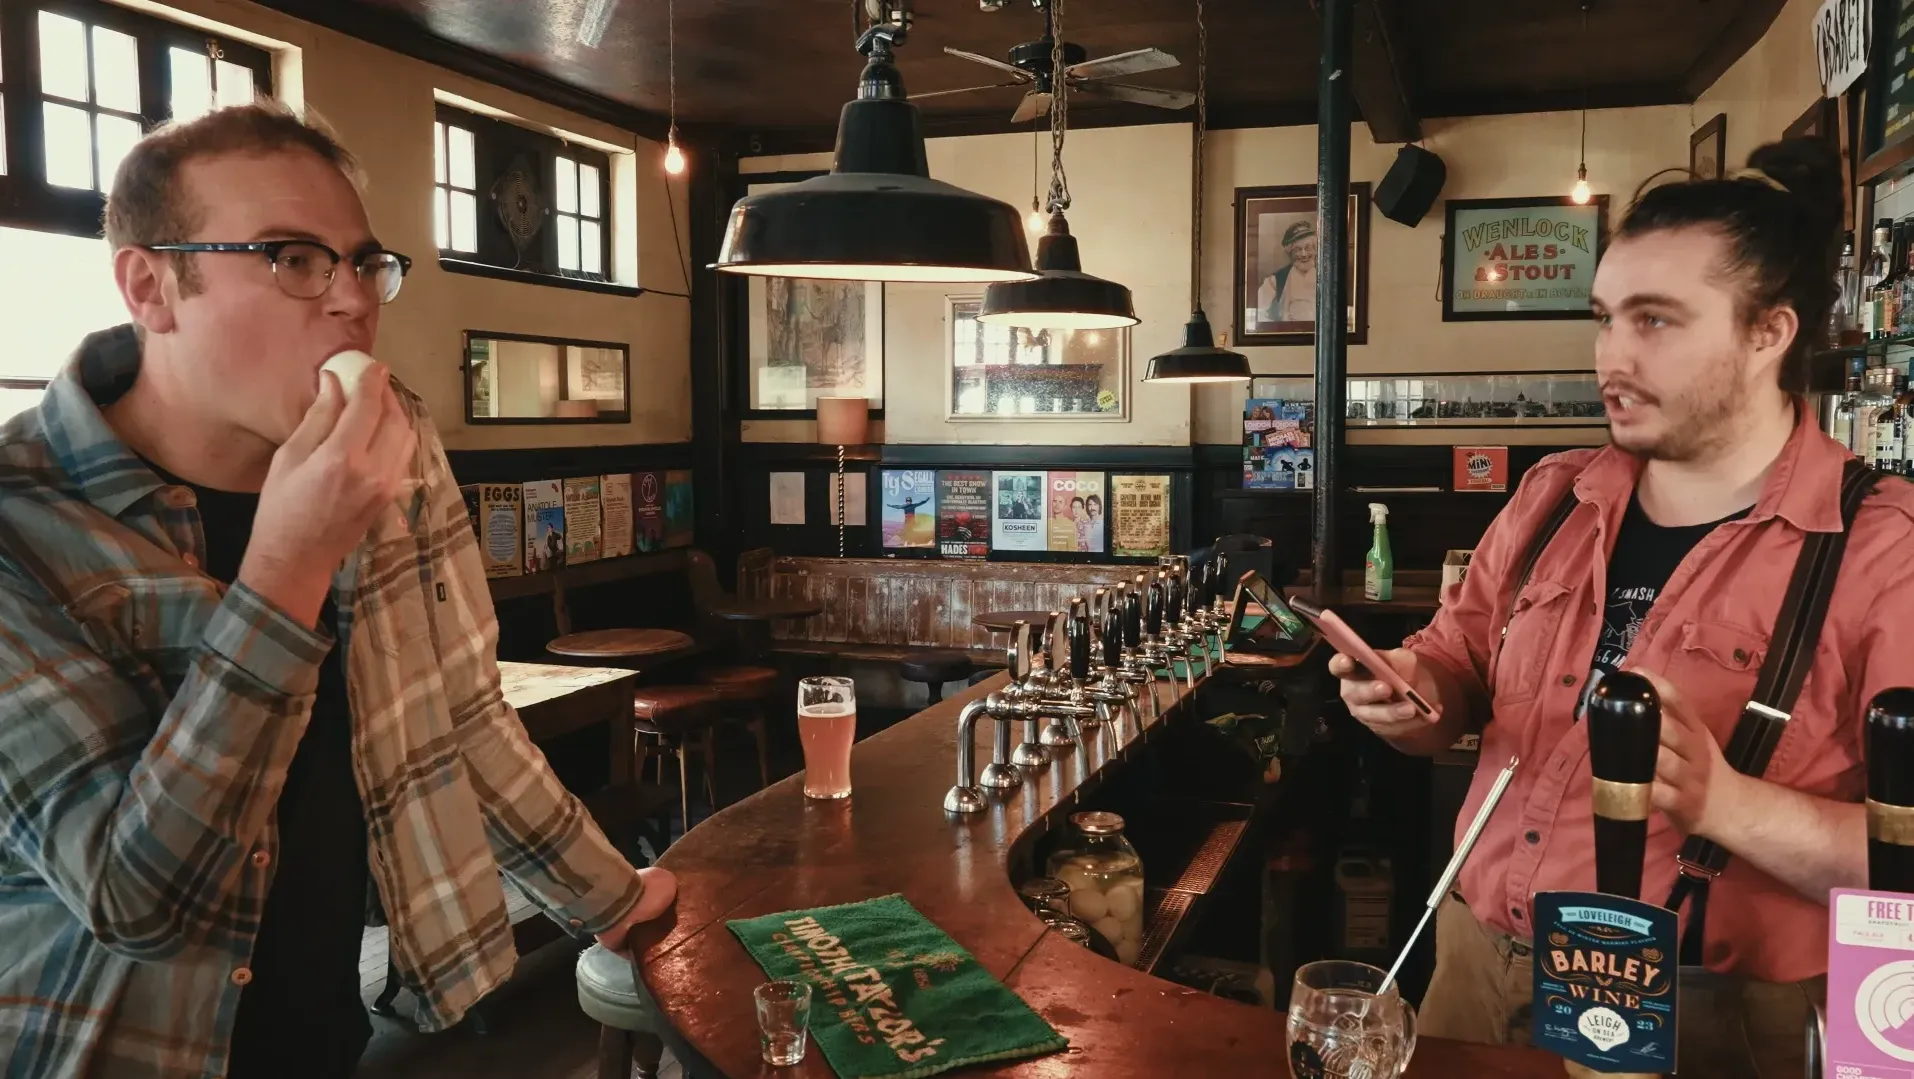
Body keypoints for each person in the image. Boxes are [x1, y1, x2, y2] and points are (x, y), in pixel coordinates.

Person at [0, 103, 675, 1079]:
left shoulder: (390, 433)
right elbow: (137, 903)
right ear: (151, 285)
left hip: (325, 1035)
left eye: (364, 261)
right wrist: (287, 570)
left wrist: (614, 898)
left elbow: (460, 713)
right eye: (291, 256)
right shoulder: (26, 521)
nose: (352, 298)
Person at [1331, 138, 1914, 1074]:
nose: (1611, 354)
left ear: (1769, 332)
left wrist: (1727, 801)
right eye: (1605, 319)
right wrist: (1408, 694)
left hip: (1717, 1014)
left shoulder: (1882, 547)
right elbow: (1455, 676)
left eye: (1655, 320)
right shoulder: (1556, 494)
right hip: (1477, 965)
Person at [1257, 220, 1318, 324]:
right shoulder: (1277, 279)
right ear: (1290, 252)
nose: (1303, 254)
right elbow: (1258, 311)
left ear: (1315, 250)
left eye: (1308, 248)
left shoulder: (1326, 277)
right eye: (1297, 250)